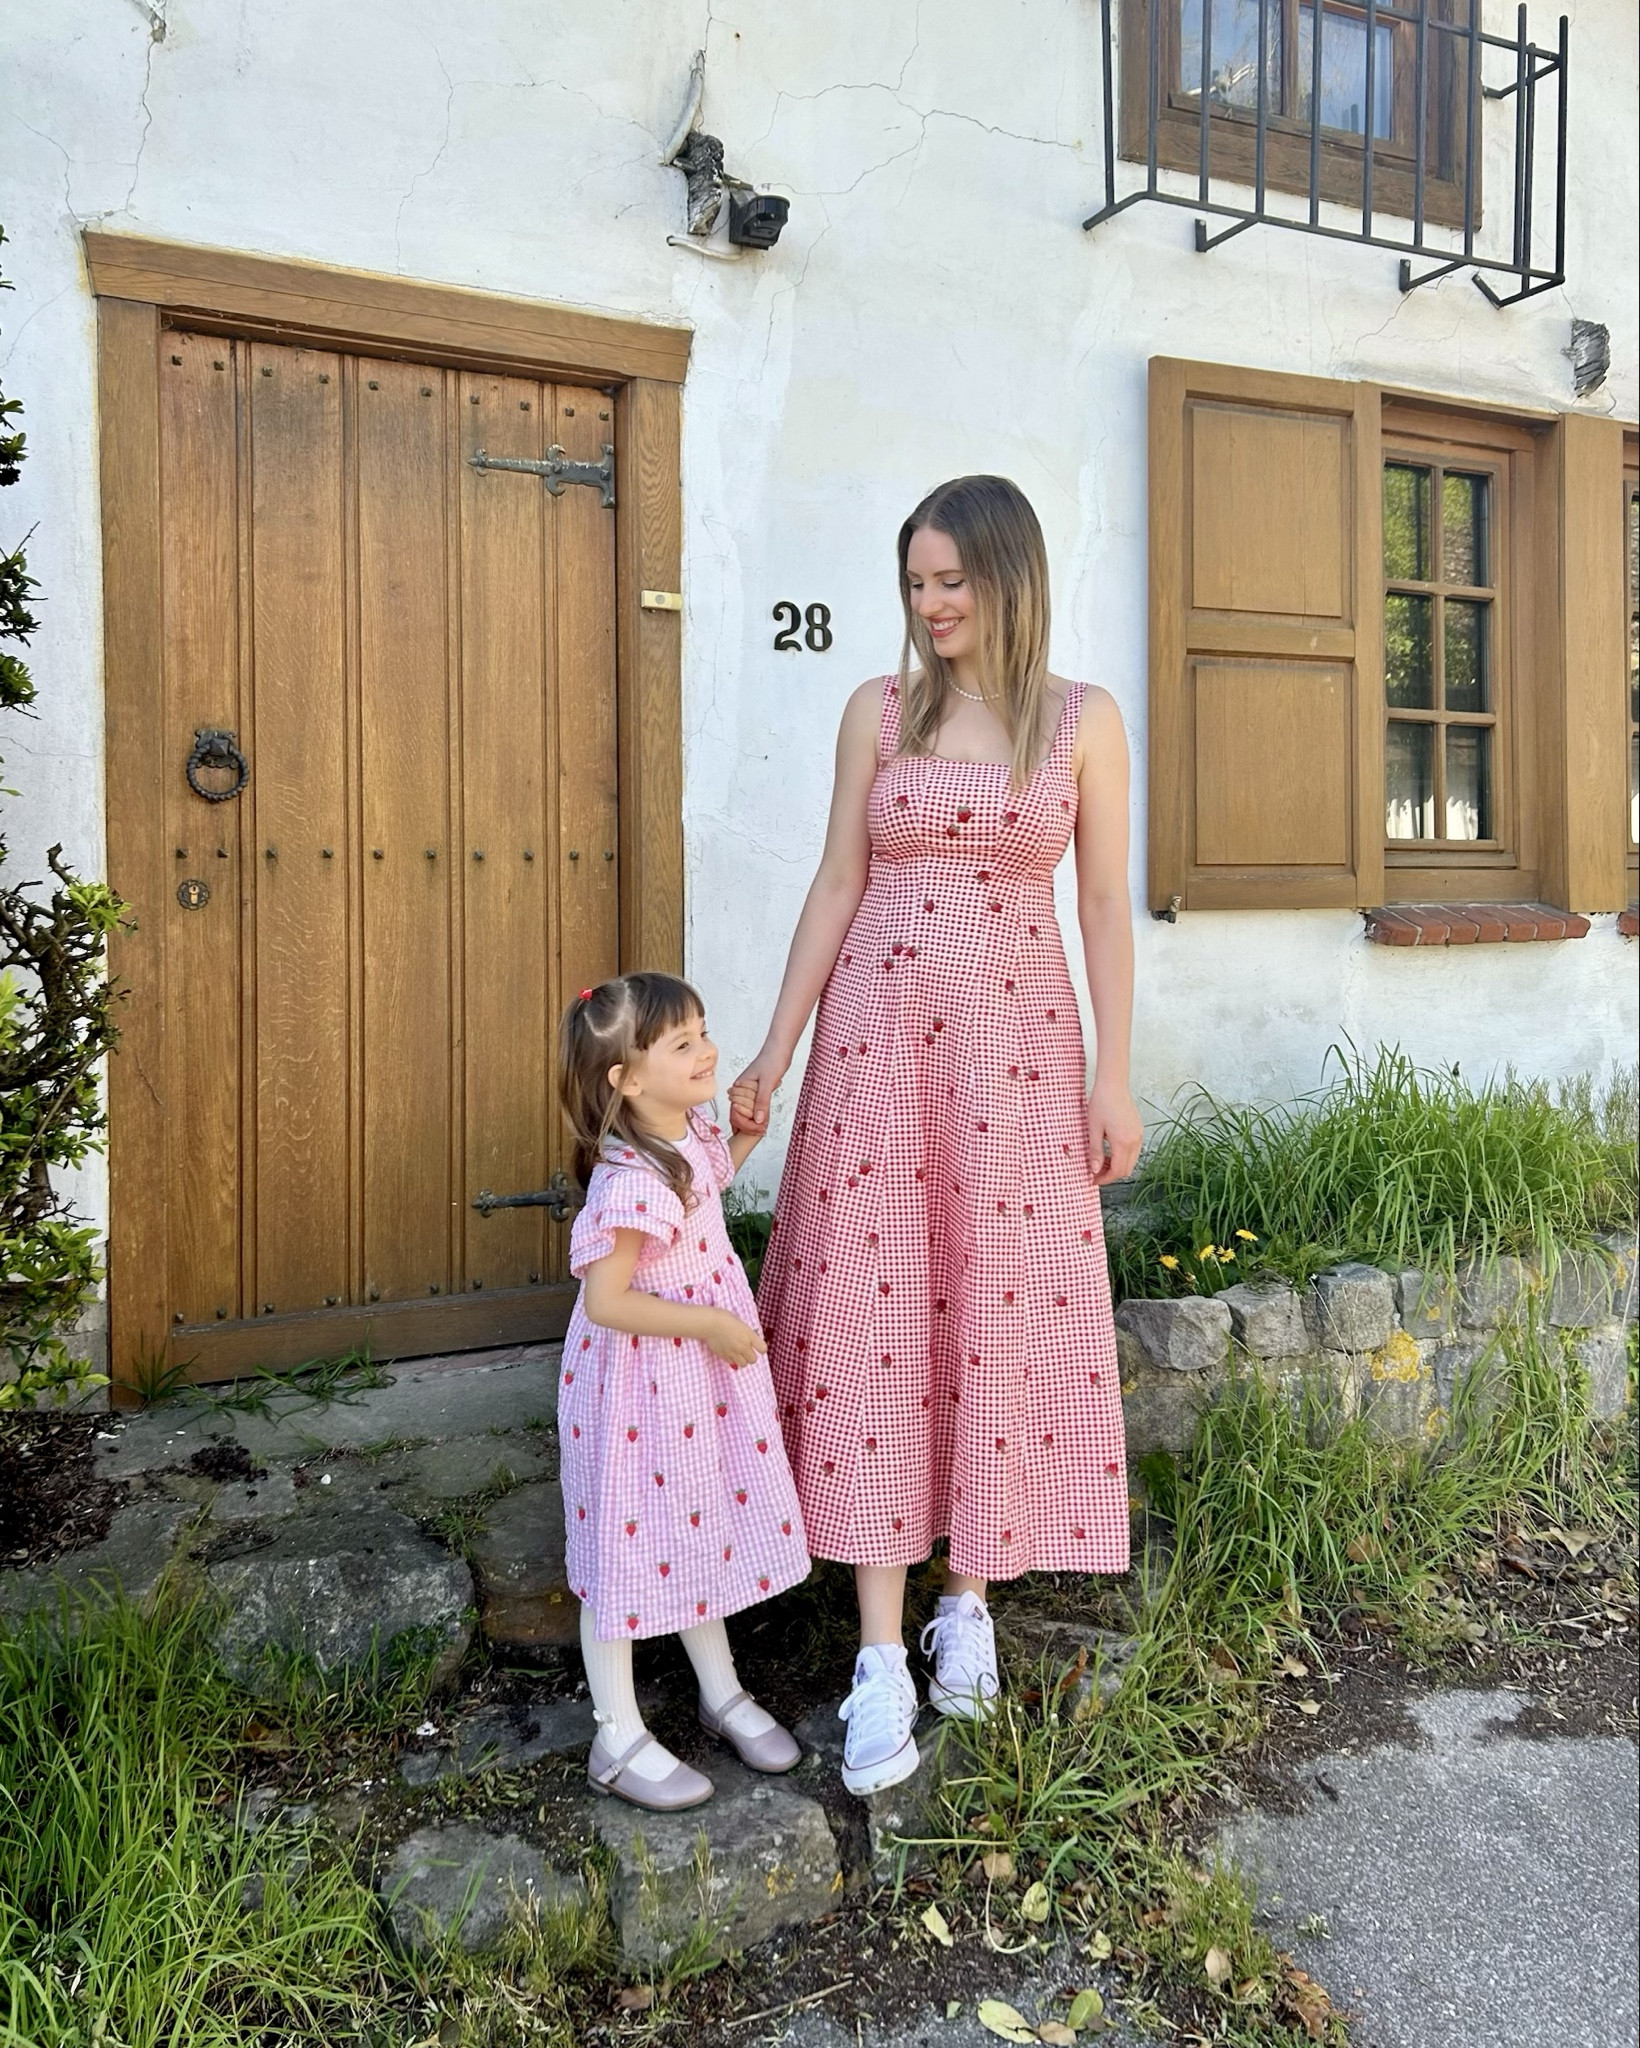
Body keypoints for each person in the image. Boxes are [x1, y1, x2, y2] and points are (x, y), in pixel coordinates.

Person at [729, 475, 1141, 1797]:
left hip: (1017, 1059)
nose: (932, 604)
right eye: (916, 582)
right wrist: (773, 1049)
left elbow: (1107, 910)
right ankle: (877, 1650)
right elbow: (838, 879)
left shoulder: (1083, 721)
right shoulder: (879, 710)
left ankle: (971, 1596)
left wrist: (1113, 1076)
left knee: (995, 1308)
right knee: (873, 1317)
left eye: (953, 580)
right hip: (876, 1049)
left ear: (1010, 578)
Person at [558, 973, 811, 1812]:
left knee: (694, 1519)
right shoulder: (625, 1180)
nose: (707, 1049)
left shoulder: (687, 1135)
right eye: (682, 1043)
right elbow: (607, 1300)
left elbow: (702, 1197)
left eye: (703, 1030)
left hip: (690, 1388)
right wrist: (708, 1326)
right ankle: (618, 1733)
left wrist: (740, 1139)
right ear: (623, 1080)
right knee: (625, 1544)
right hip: (635, 1388)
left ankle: (720, 1687)